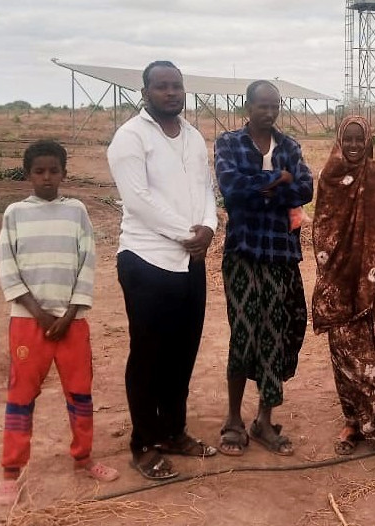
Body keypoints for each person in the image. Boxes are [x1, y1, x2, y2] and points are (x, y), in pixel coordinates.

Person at [108, 61, 219, 480]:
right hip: (147, 260)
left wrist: (209, 226)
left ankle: (174, 430)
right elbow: (137, 200)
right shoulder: (130, 138)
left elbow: (207, 188)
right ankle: (143, 442)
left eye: (177, 86)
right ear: (145, 92)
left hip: (190, 261)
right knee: (148, 355)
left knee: (183, 352)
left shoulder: (192, 136)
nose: (171, 93)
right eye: (162, 87)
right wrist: (187, 233)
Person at [0, 140, 119, 505]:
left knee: (79, 393)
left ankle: (83, 457)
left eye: (54, 170)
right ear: (28, 174)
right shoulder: (15, 213)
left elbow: (88, 261)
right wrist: (39, 312)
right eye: (39, 171)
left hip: (72, 323)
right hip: (27, 321)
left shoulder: (76, 211)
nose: (47, 178)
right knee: (21, 396)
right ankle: (10, 471)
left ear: (64, 172)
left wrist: (68, 314)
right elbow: (8, 266)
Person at [215, 80, 313, 456]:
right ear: (247, 107)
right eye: (261, 106)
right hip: (243, 252)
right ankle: (233, 420)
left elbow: (305, 189)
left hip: (281, 255)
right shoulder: (229, 143)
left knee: (275, 333)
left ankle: (264, 421)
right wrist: (279, 179)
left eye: (274, 106)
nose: (268, 113)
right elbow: (232, 187)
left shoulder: (290, 146)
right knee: (243, 331)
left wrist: (273, 186)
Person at [312, 116, 375, 455]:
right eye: (348, 140)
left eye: (360, 139)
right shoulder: (329, 177)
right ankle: (353, 421)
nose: (354, 146)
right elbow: (323, 232)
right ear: (340, 141)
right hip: (340, 284)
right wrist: (340, 268)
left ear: (368, 141)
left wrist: (372, 266)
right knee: (346, 355)